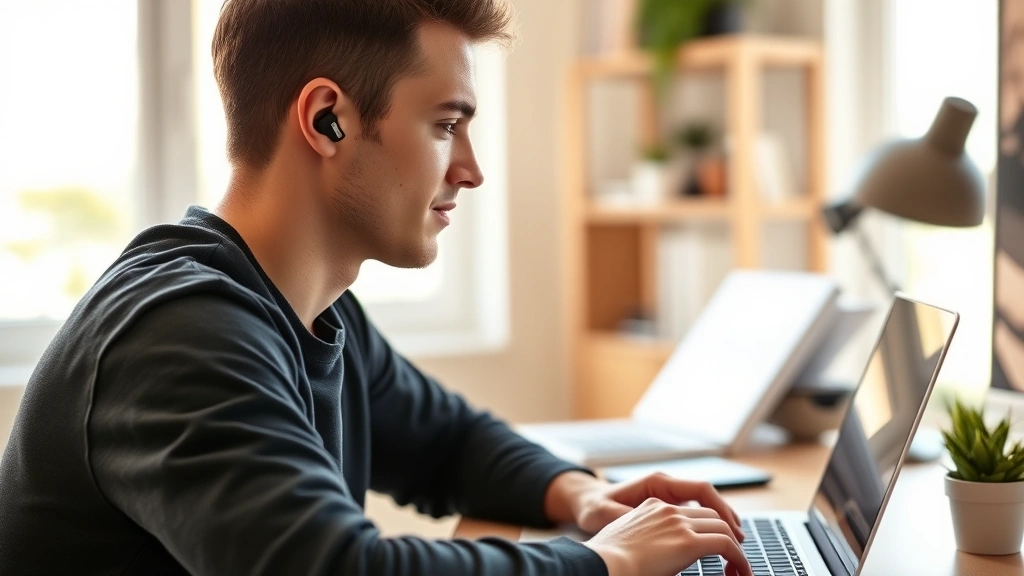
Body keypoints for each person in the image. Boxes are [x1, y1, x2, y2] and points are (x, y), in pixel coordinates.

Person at [0, 1, 753, 575]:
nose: (471, 168)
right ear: (328, 119)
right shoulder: (178, 332)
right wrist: (604, 560)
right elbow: (339, 569)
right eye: (444, 125)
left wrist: (581, 497)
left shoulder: (315, 306)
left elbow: (449, 442)